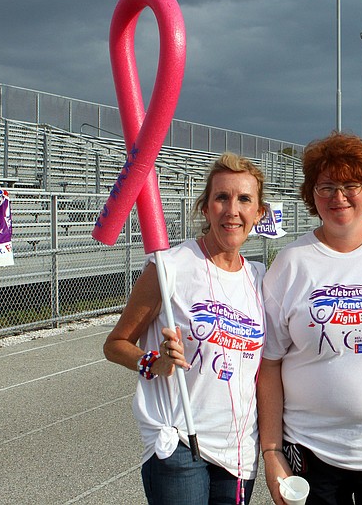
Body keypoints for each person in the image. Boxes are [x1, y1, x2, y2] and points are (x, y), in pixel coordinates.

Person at [258, 132, 362, 505]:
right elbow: (268, 364)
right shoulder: (290, 264)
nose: (338, 197)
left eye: (351, 184)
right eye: (326, 187)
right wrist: (271, 451)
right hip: (311, 449)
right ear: (311, 194)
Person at [103, 153, 267, 505]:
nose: (231, 210)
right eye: (221, 197)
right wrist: (154, 363)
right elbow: (116, 343)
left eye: (244, 199)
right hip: (179, 441)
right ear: (205, 208)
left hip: (238, 449)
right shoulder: (171, 266)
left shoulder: (259, 278)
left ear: (259, 213)